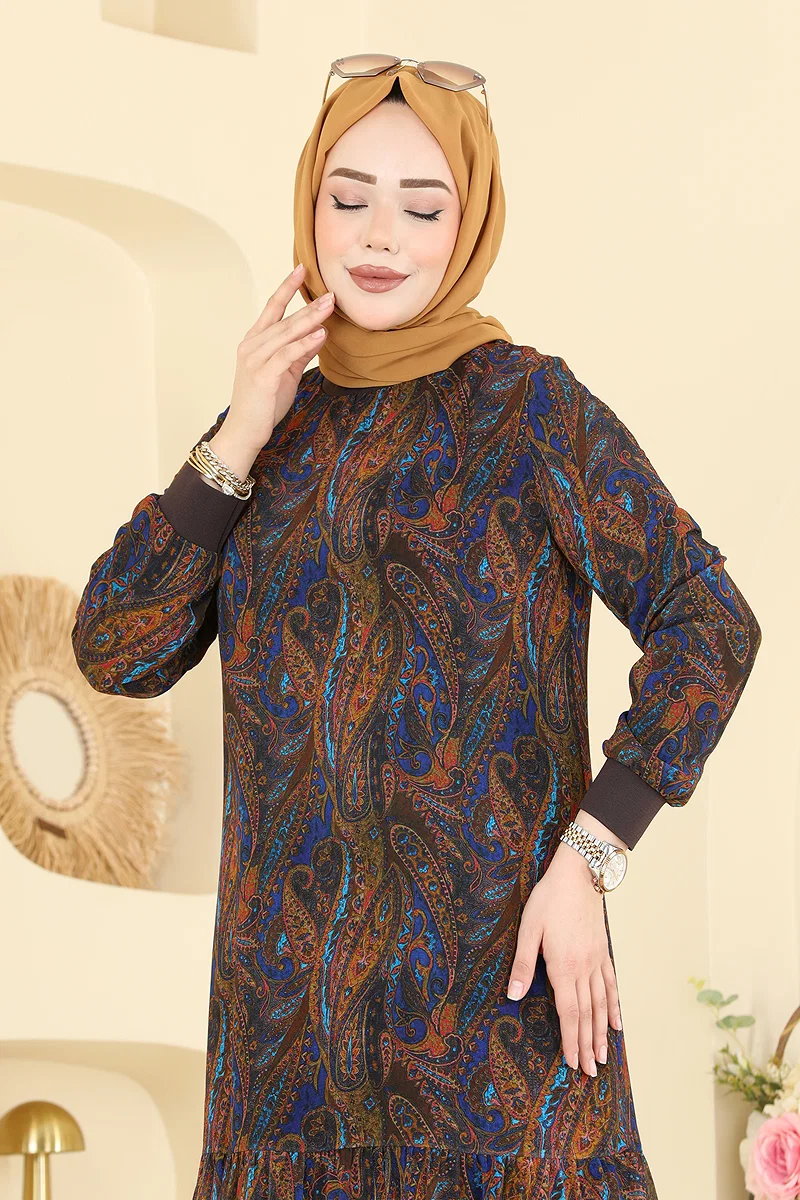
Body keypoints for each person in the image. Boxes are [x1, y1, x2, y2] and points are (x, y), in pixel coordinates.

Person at [71, 59, 761, 1199]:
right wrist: (239, 431)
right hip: (287, 1059)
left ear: (469, 223)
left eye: (422, 207)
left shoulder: (529, 409)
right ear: (309, 207)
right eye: (347, 198)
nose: (378, 235)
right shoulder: (270, 426)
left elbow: (709, 622)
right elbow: (116, 648)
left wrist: (591, 856)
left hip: (498, 1030)